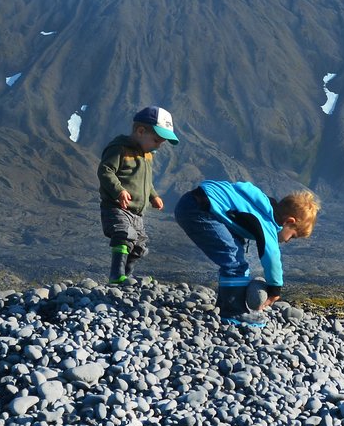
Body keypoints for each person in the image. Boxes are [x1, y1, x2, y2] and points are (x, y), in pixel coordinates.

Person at [174, 180, 319, 326]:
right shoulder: (267, 222)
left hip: (195, 201)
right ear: (288, 221)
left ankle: (224, 302)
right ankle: (232, 311)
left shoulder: (263, 205)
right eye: (293, 236)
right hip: (199, 210)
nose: (288, 241)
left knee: (235, 248)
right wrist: (275, 289)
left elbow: (240, 190)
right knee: (235, 262)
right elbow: (272, 257)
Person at [98, 106, 179, 284]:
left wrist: (153, 196)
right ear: (140, 131)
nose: (159, 146)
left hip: (137, 213)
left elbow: (146, 181)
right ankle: (116, 275)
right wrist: (119, 190)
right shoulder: (119, 148)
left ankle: (127, 276)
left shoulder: (147, 156)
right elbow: (106, 171)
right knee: (124, 234)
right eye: (157, 140)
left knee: (139, 244)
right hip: (117, 207)